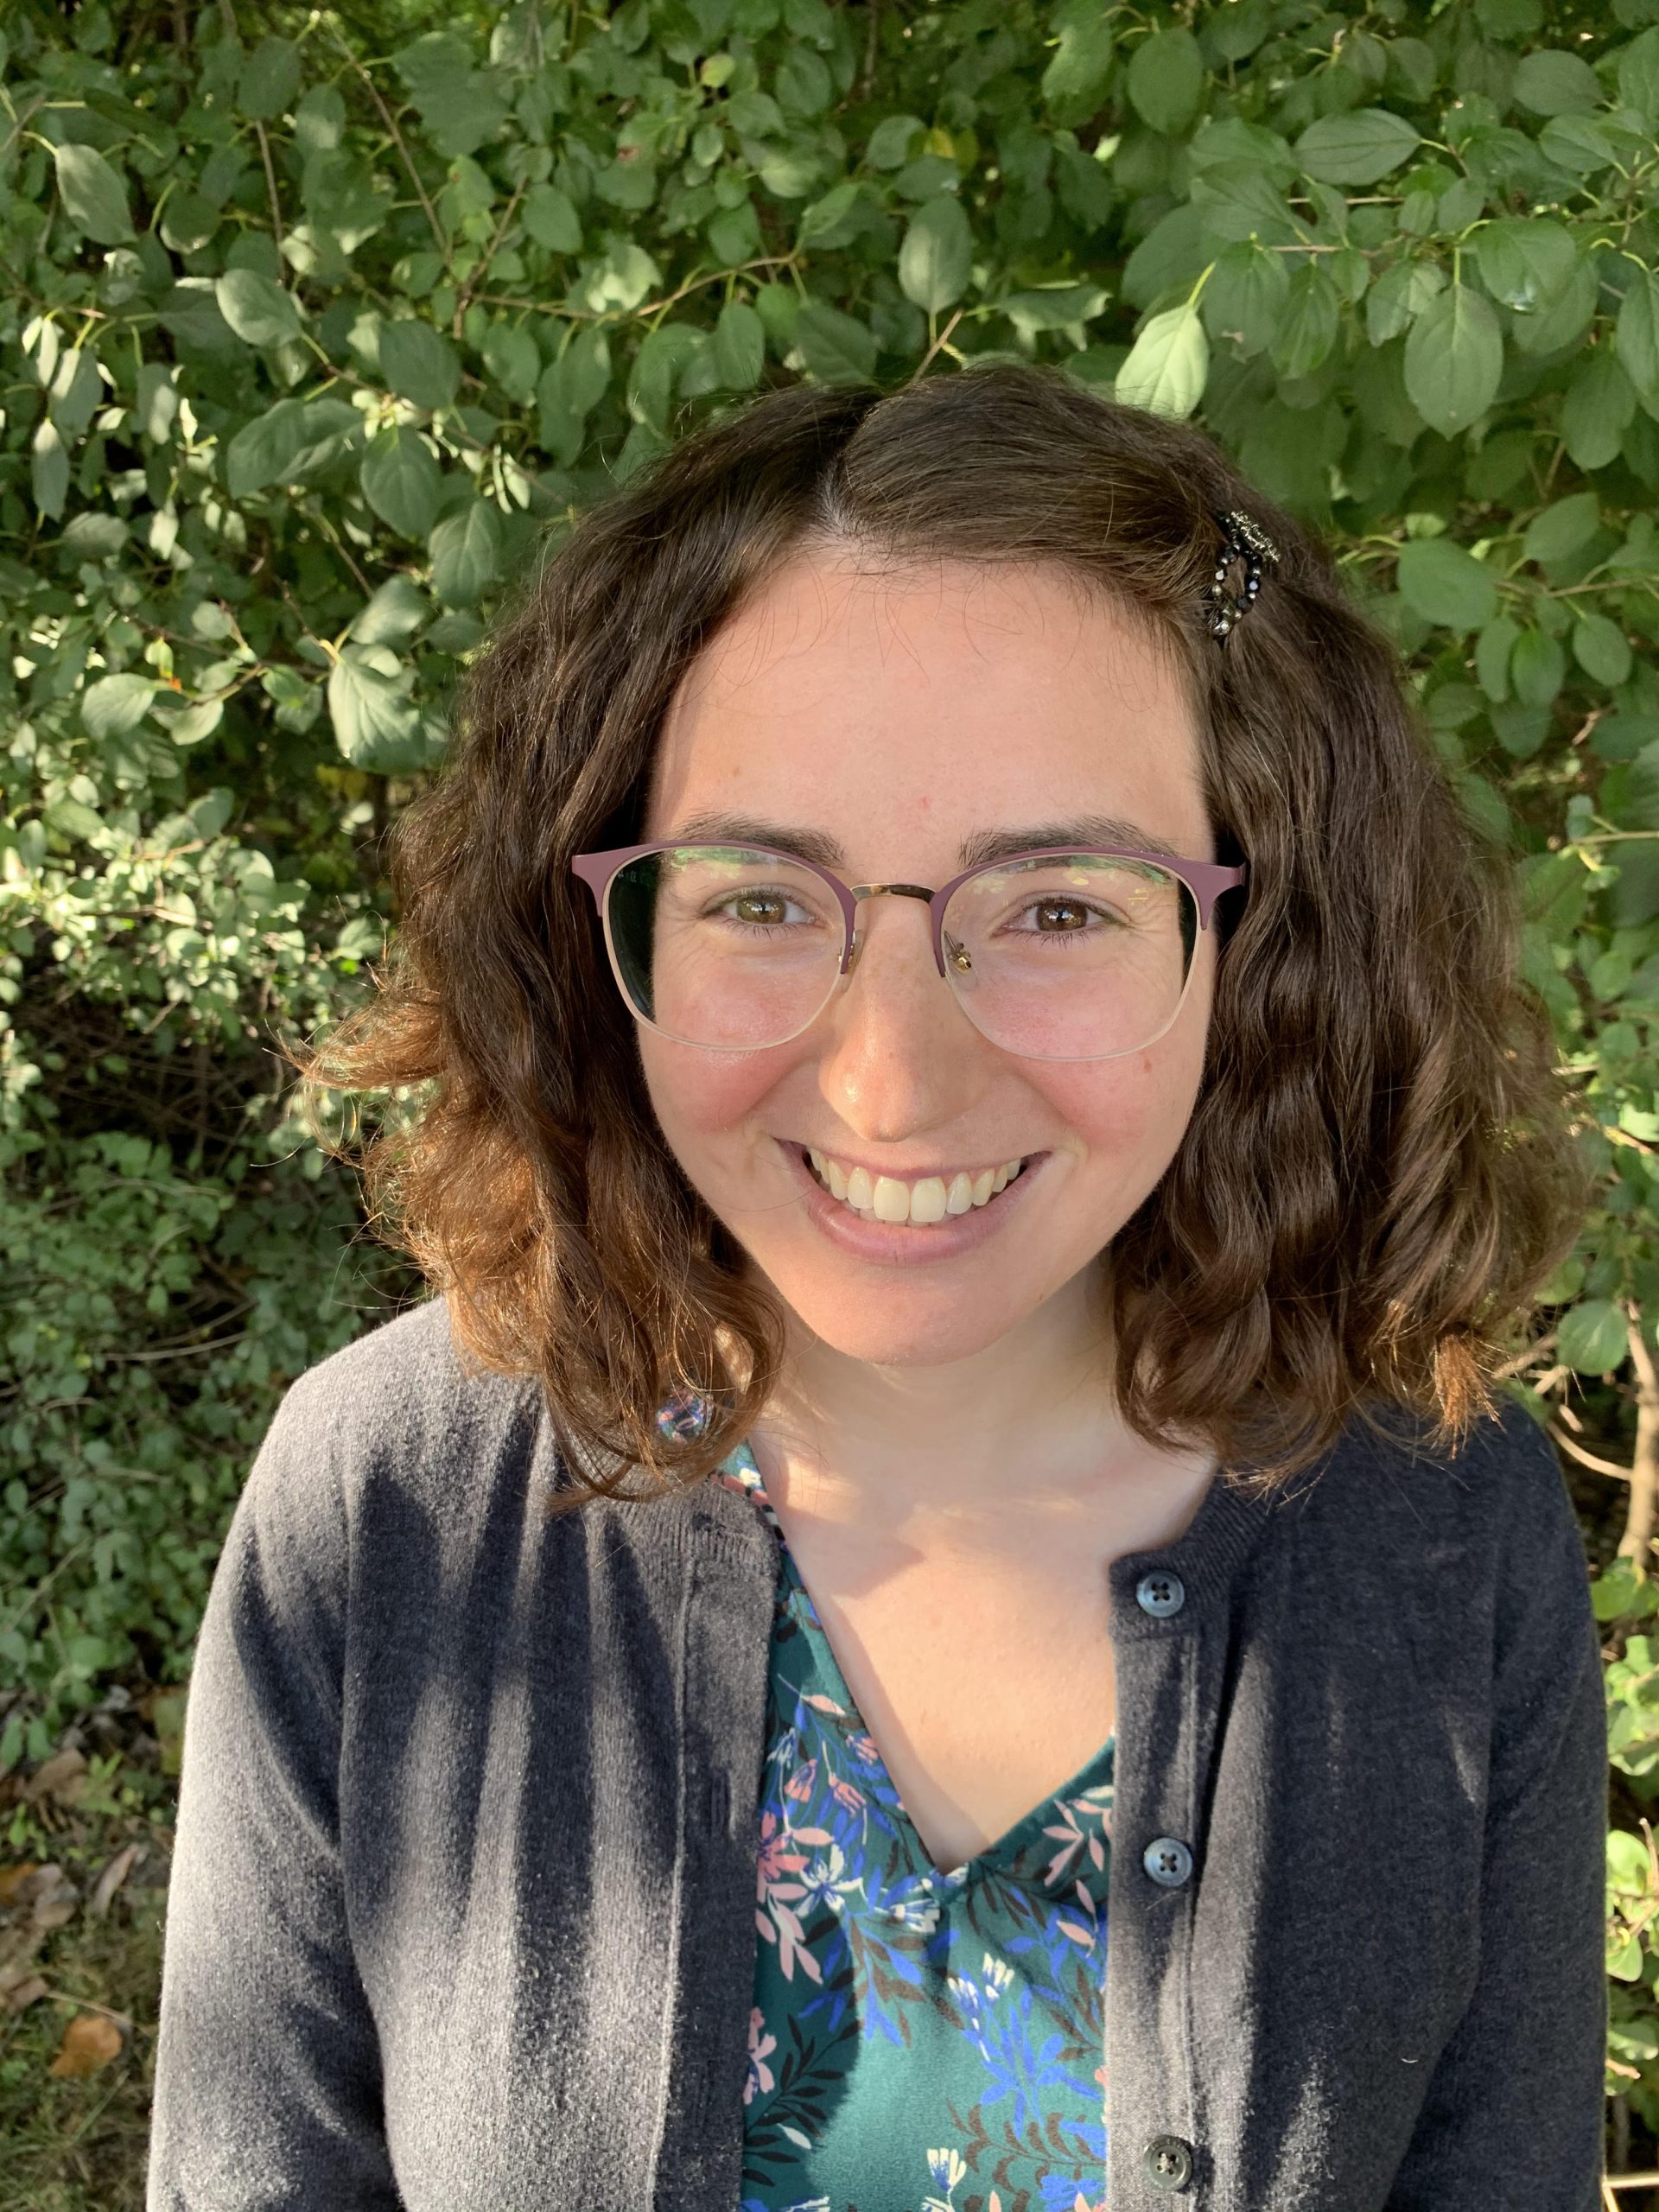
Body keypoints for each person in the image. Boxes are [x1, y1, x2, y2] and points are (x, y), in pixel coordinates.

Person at [147, 364, 1608, 2212]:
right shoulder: (382, 1507)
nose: (891, 1083)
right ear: (603, 935)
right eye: (758, 894)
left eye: (1060, 901)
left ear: (1267, 939)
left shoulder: (1445, 1525)